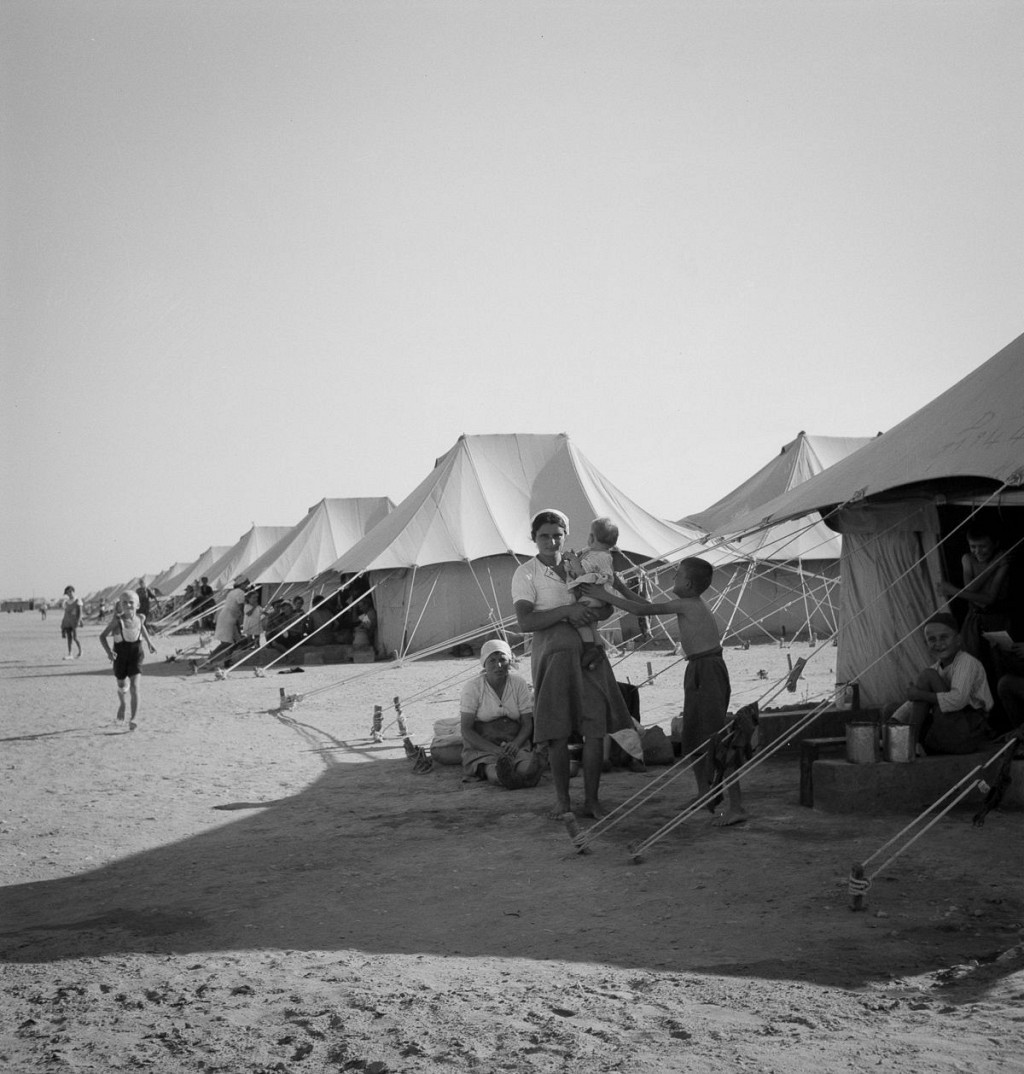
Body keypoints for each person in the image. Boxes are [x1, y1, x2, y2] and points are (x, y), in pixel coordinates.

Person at [585, 556, 746, 826]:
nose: (672, 579)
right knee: (694, 734)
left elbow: (640, 612)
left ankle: (737, 805)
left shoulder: (690, 605)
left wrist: (604, 595)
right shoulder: (685, 603)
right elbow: (646, 606)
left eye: (676, 575)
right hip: (696, 668)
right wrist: (619, 586)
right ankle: (704, 794)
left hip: (708, 671)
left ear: (687, 583)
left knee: (716, 737)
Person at [512, 509, 641, 820]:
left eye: (557, 535)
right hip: (553, 656)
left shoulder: (583, 563)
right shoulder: (526, 574)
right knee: (556, 731)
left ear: (566, 535)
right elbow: (526, 620)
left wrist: (592, 614)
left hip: (590, 654)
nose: (551, 541)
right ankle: (562, 800)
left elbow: (605, 605)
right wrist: (566, 612)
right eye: (544, 535)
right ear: (533, 538)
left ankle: (592, 801)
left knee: (594, 729)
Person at [888, 613, 994, 754]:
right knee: (890, 711)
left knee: (927, 676)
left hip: (968, 732)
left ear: (958, 640)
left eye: (944, 637)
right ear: (926, 644)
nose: (938, 644)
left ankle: (911, 743)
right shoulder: (937, 668)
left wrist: (920, 694)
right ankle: (910, 741)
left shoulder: (966, 662)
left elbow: (958, 700)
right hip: (949, 727)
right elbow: (915, 700)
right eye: (932, 639)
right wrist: (894, 720)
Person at [460, 638, 541, 789]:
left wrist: (516, 744)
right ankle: (504, 777)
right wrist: (495, 750)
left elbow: (527, 723)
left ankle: (525, 774)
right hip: (484, 746)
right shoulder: (473, 688)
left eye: (502, 659)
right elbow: (466, 729)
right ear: (484, 663)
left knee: (526, 768)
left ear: (509, 662)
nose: (498, 665)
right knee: (494, 773)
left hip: (514, 742)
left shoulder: (518, 684)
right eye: (492, 660)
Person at [937, 527, 1012, 667]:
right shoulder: (968, 559)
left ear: (995, 544)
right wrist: (993, 566)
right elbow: (971, 588)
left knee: (1000, 662)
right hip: (973, 618)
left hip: (997, 619)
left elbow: (989, 599)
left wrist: (953, 591)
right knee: (972, 659)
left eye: (983, 546)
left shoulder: (1002, 558)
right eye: (973, 546)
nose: (977, 551)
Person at [563, 516, 619, 671]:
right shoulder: (606, 555)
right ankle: (599, 649)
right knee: (592, 624)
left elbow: (581, 571)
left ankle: (589, 649)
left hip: (591, 595)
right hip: (600, 597)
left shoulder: (595, 556)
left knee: (578, 619)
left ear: (592, 537)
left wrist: (572, 558)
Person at [99, 590, 156, 730]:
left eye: (131, 602)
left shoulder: (141, 617)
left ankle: (134, 718)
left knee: (135, 686)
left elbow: (142, 628)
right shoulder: (118, 621)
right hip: (120, 656)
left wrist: (149, 642)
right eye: (125, 602)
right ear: (120, 605)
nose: (128, 605)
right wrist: (109, 652)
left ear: (137, 605)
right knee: (121, 684)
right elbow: (102, 636)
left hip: (136, 655)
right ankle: (122, 704)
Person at [207, 577, 249, 664]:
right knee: (230, 642)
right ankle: (213, 658)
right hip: (229, 619)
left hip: (226, 618)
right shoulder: (240, 592)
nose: (246, 586)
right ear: (241, 585)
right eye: (245, 584)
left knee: (229, 642)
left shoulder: (233, 592)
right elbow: (241, 607)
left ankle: (223, 659)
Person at [60, 585, 84, 659]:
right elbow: (65, 613)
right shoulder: (66, 602)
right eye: (68, 592)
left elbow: (80, 612)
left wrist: (79, 620)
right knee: (69, 637)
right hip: (67, 621)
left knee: (75, 637)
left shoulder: (78, 600)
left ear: (73, 591)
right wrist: (63, 625)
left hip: (74, 621)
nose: (70, 593)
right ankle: (70, 653)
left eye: (70, 591)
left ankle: (80, 651)